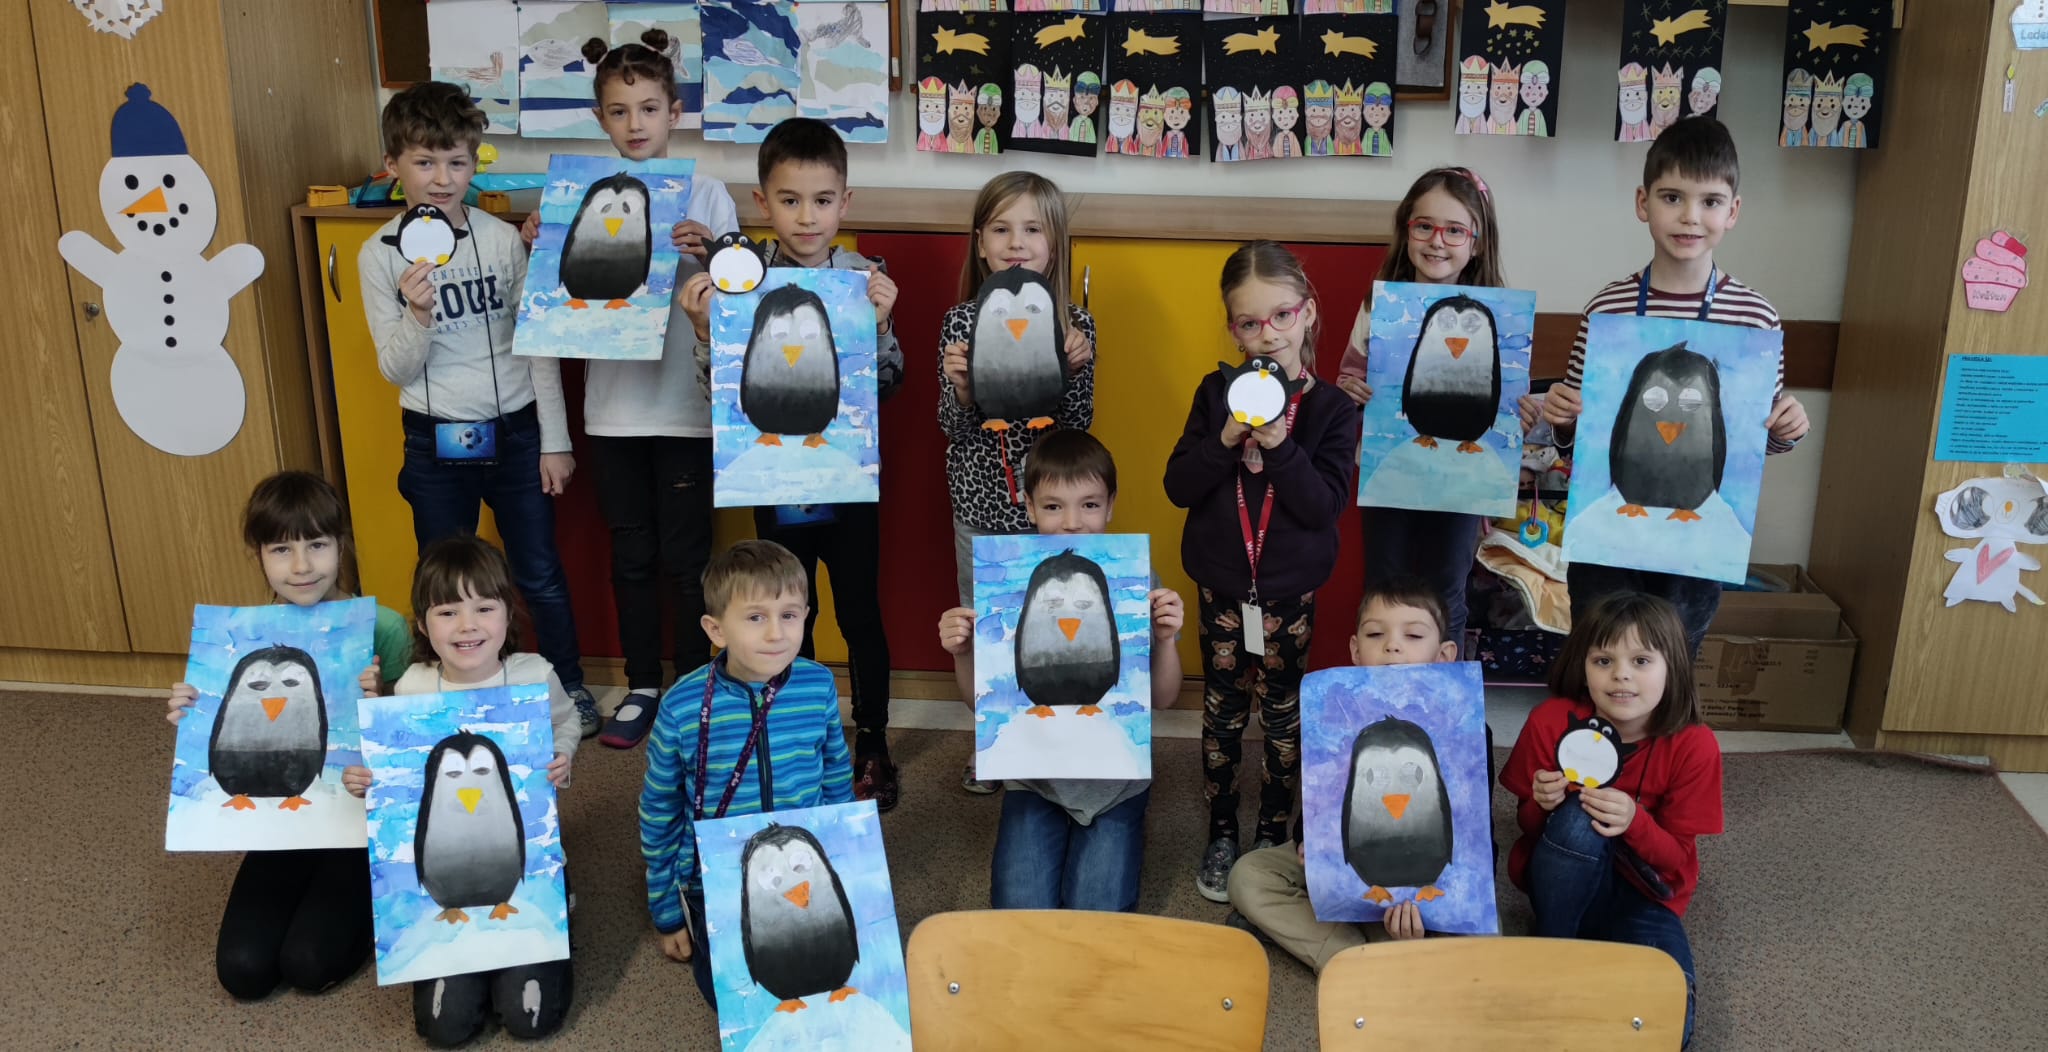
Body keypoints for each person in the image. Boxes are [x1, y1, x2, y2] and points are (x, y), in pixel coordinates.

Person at [517, 35, 739, 750]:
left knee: (688, 561)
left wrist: (714, 254)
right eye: (619, 111)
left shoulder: (708, 194)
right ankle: (643, 684)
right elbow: (549, 320)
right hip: (613, 414)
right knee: (631, 557)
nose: (635, 123)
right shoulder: (573, 196)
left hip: (688, 413)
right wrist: (541, 242)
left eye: (648, 108)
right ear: (601, 119)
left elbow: (741, 306)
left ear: (675, 112)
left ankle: (693, 685)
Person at [358, 83, 598, 734]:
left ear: (473, 164)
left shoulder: (499, 241)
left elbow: (536, 344)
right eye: (425, 162)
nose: (442, 179)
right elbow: (395, 368)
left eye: (457, 162)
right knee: (444, 575)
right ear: (393, 165)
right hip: (433, 437)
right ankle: (446, 695)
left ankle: (567, 686)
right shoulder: (378, 254)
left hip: (515, 432)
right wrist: (418, 314)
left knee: (537, 571)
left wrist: (555, 440)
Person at [681, 116, 902, 809]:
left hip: (848, 481)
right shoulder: (741, 280)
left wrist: (882, 328)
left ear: (846, 202)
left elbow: (888, 383)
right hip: (774, 479)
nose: (808, 217)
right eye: (790, 200)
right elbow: (720, 394)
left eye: (823, 200)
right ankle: (790, 731)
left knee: (859, 610)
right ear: (762, 202)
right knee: (781, 610)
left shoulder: (865, 279)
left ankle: (872, 743)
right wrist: (705, 330)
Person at [1528, 117, 1811, 655]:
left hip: (1695, 544)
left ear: (1733, 211)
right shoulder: (1607, 309)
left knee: (1672, 661)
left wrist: (1785, 429)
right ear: (1643, 203)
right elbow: (1584, 436)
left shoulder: (1754, 318)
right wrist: (1562, 421)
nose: (1690, 216)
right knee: (1602, 653)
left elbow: (1750, 444)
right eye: (1672, 197)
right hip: (1610, 539)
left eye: (1710, 201)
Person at [165, 471, 410, 1002]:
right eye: (281, 549)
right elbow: (224, 726)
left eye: (317, 545)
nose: (302, 566)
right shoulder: (240, 637)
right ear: (258, 555)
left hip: (359, 821)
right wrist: (195, 709)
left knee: (308, 964)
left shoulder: (384, 628)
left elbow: (415, 733)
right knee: (243, 971)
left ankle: (375, 897)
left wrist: (381, 700)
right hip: (283, 823)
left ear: (341, 545)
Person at [1165, 240, 1359, 901]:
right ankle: (1222, 829)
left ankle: (1272, 830)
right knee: (1221, 713)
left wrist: (1279, 446)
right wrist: (1225, 439)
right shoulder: (1214, 393)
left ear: (1308, 313)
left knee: (1282, 717)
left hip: (1288, 595)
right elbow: (1178, 486)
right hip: (1221, 587)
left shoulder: (1332, 410)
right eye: (1250, 323)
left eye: (1281, 316)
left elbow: (1323, 506)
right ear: (1232, 329)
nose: (1268, 334)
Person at [936, 430, 1185, 912]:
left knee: (1097, 915)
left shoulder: (1136, 580)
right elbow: (974, 702)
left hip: (1114, 785)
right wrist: (961, 653)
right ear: (1029, 506)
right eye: (1053, 507)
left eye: (1089, 505)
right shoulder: (1007, 587)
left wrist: (1165, 640)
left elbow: (1165, 698)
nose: (1072, 523)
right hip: (1034, 778)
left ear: (1111, 505)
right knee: (1018, 911)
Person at [369, 534, 582, 1045]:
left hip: (526, 861)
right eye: (448, 612)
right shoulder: (413, 687)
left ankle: (551, 917)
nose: (467, 626)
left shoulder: (534, 674)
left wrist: (562, 756)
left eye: (484, 608)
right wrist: (370, 779)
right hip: (445, 877)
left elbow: (567, 721)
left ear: (508, 613)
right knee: (445, 1027)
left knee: (530, 1019)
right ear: (424, 625)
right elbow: (400, 784)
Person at [1500, 591, 1722, 1047]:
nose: (1621, 674)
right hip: (1561, 888)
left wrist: (1635, 821)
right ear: (1583, 666)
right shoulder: (1550, 721)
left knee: (1667, 1019)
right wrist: (1540, 803)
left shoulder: (1695, 745)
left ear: (1673, 667)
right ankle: (1555, 948)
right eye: (1603, 660)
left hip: (1645, 899)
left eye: (1641, 661)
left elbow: (1676, 861)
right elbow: (1529, 829)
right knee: (1578, 817)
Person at [639, 540, 855, 1008]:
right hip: (715, 878)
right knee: (738, 999)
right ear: (716, 629)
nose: (777, 633)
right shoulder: (681, 706)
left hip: (804, 867)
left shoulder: (819, 684)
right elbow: (659, 810)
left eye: (790, 615)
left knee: (831, 976)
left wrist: (847, 857)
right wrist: (666, 909)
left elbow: (837, 774)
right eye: (756, 617)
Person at [938, 171, 1097, 794]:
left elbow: (1077, 432)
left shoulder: (1074, 324)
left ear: (1054, 245)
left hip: (1054, 511)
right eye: (1001, 229)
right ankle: (991, 740)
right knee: (988, 630)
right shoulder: (959, 323)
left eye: (1032, 229)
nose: (1016, 242)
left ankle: (1054, 736)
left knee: (1050, 621)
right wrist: (962, 389)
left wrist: (1074, 371)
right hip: (980, 509)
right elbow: (952, 428)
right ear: (981, 244)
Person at [1224, 579, 1460, 969]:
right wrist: (1310, 843)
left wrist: (1429, 905)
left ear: (1444, 654)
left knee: (1480, 933)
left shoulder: (1464, 729)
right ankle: (1353, 957)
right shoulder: (1335, 719)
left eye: (1414, 635)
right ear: (1355, 650)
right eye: (1375, 634)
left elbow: (1471, 834)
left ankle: (1372, 948)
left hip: (1423, 885)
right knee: (1247, 876)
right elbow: (1324, 802)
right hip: (1349, 862)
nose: (1393, 646)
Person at [1336, 167, 1508, 657]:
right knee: (1384, 583)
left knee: (1448, 587)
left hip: (1461, 483)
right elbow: (1349, 375)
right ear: (1406, 230)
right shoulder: (1379, 305)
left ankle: (1441, 694)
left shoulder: (1498, 313)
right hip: (1391, 469)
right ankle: (1378, 688)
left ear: (1477, 242)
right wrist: (1350, 391)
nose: (1437, 241)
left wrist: (1522, 415)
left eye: (1455, 230)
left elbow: (1502, 395)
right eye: (1425, 226)